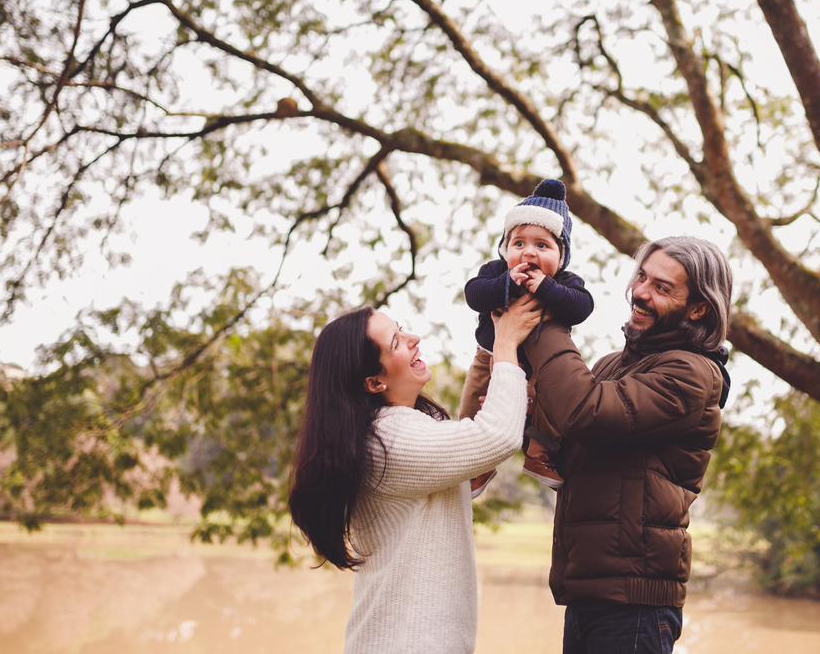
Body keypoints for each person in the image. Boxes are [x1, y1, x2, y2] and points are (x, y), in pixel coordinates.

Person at [288, 294, 544, 654]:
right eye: (396, 342)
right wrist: (505, 343)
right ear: (374, 382)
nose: (413, 340)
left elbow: (457, 477)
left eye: (402, 329)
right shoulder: (386, 439)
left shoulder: (395, 430)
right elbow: (497, 437)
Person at [522, 236, 733, 654]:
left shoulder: (691, 374)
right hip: (589, 592)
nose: (640, 292)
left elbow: (586, 412)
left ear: (698, 309)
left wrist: (545, 322)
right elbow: (565, 446)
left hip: (634, 607)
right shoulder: (612, 366)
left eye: (662, 287)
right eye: (642, 276)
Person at [460, 178, 595, 494]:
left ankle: (539, 454)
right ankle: (476, 465)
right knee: (471, 403)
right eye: (518, 244)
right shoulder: (495, 273)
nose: (528, 253)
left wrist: (547, 289)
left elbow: (582, 307)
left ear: (561, 256)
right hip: (489, 356)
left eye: (542, 245)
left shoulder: (565, 282)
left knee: (554, 406)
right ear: (506, 250)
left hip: (540, 366)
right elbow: (473, 295)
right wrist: (506, 284)